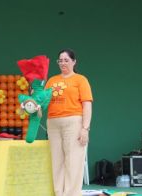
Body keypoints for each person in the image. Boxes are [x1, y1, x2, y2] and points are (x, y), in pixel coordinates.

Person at [45, 49, 93, 196]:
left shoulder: (80, 79)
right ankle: (59, 193)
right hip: (53, 123)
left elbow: (87, 104)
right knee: (57, 161)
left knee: (73, 161)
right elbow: (43, 102)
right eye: (60, 60)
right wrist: (34, 100)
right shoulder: (52, 81)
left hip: (74, 122)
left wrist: (85, 128)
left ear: (74, 61)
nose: (63, 63)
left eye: (66, 60)